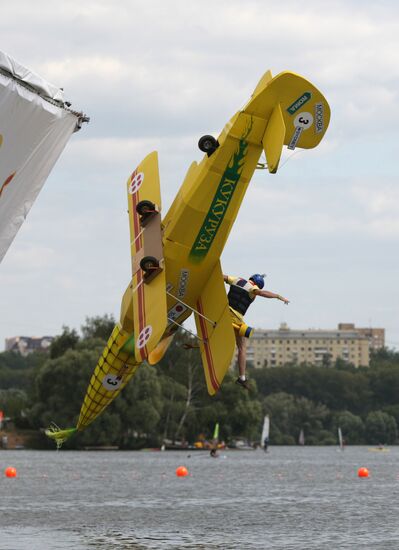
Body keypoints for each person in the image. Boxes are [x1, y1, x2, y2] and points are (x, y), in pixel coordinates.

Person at [223, 273, 289, 389]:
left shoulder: (236, 279)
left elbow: (221, 276)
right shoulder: (253, 289)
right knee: (242, 347)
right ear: (258, 285)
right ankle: (242, 378)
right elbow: (262, 293)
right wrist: (278, 296)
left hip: (222, 312)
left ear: (251, 279)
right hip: (236, 319)